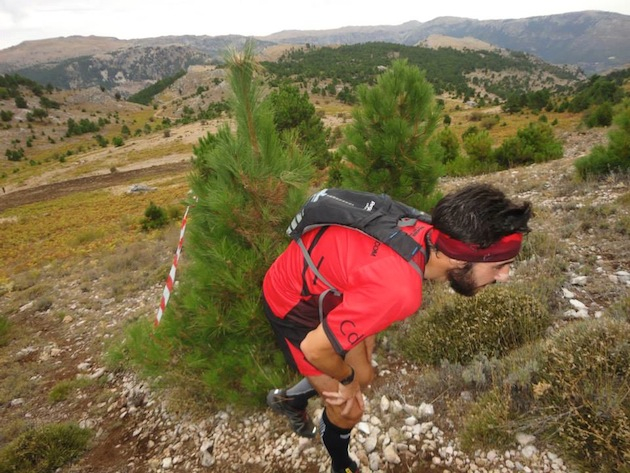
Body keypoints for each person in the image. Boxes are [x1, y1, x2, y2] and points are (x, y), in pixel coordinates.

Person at [262, 183, 532, 473]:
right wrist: (346, 379)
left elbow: (370, 275)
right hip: (293, 306)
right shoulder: (400, 290)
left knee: (365, 374)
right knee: (349, 408)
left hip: (334, 288)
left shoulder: (425, 228)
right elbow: (314, 349)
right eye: (499, 265)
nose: (504, 276)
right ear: (456, 257)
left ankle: (291, 399)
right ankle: (341, 464)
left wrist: (355, 375)